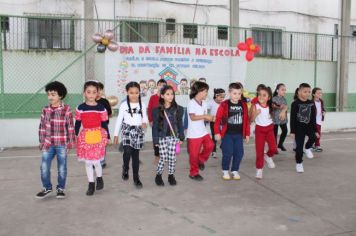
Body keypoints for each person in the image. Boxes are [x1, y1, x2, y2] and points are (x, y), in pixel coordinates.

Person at [36, 81, 76, 199]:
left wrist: (70, 143)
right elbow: (42, 127)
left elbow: (70, 127)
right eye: (48, 94)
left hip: (61, 144)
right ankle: (47, 188)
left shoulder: (67, 110)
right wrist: (42, 141)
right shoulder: (45, 110)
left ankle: (60, 189)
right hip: (48, 144)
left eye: (53, 94)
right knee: (44, 167)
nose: (50, 97)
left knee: (62, 168)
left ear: (61, 95)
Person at [75, 81, 110, 196]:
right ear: (84, 93)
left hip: (98, 135)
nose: (91, 95)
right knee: (88, 162)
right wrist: (76, 135)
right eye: (88, 92)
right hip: (85, 137)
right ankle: (91, 184)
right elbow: (78, 123)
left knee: (96, 161)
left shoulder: (101, 108)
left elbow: (104, 123)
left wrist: (107, 136)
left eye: (94, 92)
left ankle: (99, 178)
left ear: (97, 94)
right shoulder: (80, 107)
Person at [114, 82, 148, 188]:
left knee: (135, 155)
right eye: (131, 93)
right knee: (127, 151)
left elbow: (145, 117)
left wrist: (144, 122)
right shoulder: (124, 105)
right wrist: (115, 135)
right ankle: (125, 167)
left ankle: (136, 178)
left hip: (138, 131)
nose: (134, 95)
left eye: (136, 92)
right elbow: (119, 119)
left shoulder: (142, 104)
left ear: (139, 92)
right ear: (127, 92)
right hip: (127, 130)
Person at [214, 83, 250, 180]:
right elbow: (217, 119)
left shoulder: (243, 104)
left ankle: (235, 170)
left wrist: (247, 134)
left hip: (238, 135)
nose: (237, 96)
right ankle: (225, 170)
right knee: (228, 153)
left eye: (239, 93)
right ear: (229, 93)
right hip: (227, 134)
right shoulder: (224, 104)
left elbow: (246, 120)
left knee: (239, 153)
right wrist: (217, 132)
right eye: (234, 93)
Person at [152, 85, 184, 186]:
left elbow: (180, 124)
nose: (170, 96)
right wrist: (156, 141)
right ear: (162, 96)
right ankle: (158, 175)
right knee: (163, 158)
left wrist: (181, 136)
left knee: (172, 157)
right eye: (167, 94)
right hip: (162, 137)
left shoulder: (178, 109)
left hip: (173, 137)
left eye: (172, 94)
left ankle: (171, 175)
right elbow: (155, 127)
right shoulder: (157, 110)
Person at [187, 81, 215, 181]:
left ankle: (201, 160)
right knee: (193, 155)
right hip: (193, 134)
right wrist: (205, 116)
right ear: (199, 91)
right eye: (205, 91)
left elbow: (205, 117)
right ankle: (193, 173)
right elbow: (193, 117)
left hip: (203, 131)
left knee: (210, 145)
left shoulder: (204, 103)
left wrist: (211, 118)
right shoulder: (191, 103)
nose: (207, 93)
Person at [290, 83, 318, 173]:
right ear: (299, 92)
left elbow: (313, 118)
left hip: (309, 126)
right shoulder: (295, 104)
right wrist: (292, 131)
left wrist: (316, 130)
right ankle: (299, 163)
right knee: (299, 147)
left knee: (313, 137)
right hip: (299, 128)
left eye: (309, 92)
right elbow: (292, 118)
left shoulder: (311, 103)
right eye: (305, 91)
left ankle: (307, 148)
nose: (307, 93)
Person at [251, 85, 277, 179]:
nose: (261, 97)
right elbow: (251, 119)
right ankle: (259, 169)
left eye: (264, 95)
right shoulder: (255, 106)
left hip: (269, 129)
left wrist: (282, 112)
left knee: (273, 148)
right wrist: (255, 114)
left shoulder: (271, 106)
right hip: (259, 130)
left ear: (269, 97)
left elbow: (279, 109)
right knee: (259, 151)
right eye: (259, 95)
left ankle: (268, 156)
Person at [147, 79, 167, 164]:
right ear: (157, 86)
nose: (162, 86)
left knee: (165, 139)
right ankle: (157, 156)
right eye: (160, 85)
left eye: (164, 85)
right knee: (156, 140)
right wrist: (150, 120)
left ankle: (165, 156)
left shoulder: (167, 97)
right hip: (155, 122)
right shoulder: (153, 97)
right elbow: (149, 109)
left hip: (166, 123)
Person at [96, 82, 112, 168]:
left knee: (102, 144)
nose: (98, 92)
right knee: (94, 144)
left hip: (103, 126)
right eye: (96, 90)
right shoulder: (90, 102)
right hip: (93, 127)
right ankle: (95, 160)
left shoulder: (104, 101)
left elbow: (109, 113)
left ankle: (102, 161)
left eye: (100, 90)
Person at [207, 88, 225, 158]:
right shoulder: (210, 102)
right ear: (216, 96)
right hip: (214, 122)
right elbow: (207, 112)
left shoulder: (224, 104)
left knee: (224, 136)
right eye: (220, 97)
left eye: (223, 97)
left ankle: (222, 146)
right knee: (214, 137)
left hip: (222, 122)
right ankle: (213, 151)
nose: (222, 99)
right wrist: (210, 117)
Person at [272, 83, 288, 152]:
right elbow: (273, 106)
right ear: (277, 90)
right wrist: (278, 106)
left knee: (285, 131)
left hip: (282, 118)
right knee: (274, 133)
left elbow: (286, 107)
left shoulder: (284, 99)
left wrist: (284, 110)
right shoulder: (273, 98)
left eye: (285, 90)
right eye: (282, 90)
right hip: (275, 118)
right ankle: (274, 147)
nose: (284, 91)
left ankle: (280, 144)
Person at [312, 87, 325, 152]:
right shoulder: (311, 102)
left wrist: (324, 112)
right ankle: (317, 145)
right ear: (313, 94)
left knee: (317, 133)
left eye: (321, 93)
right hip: (314, 121)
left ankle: (313, 145)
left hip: (319, 120)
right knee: (317, 133)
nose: (320, 94)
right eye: (318, 93)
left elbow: (323, 108)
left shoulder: (321, 101)